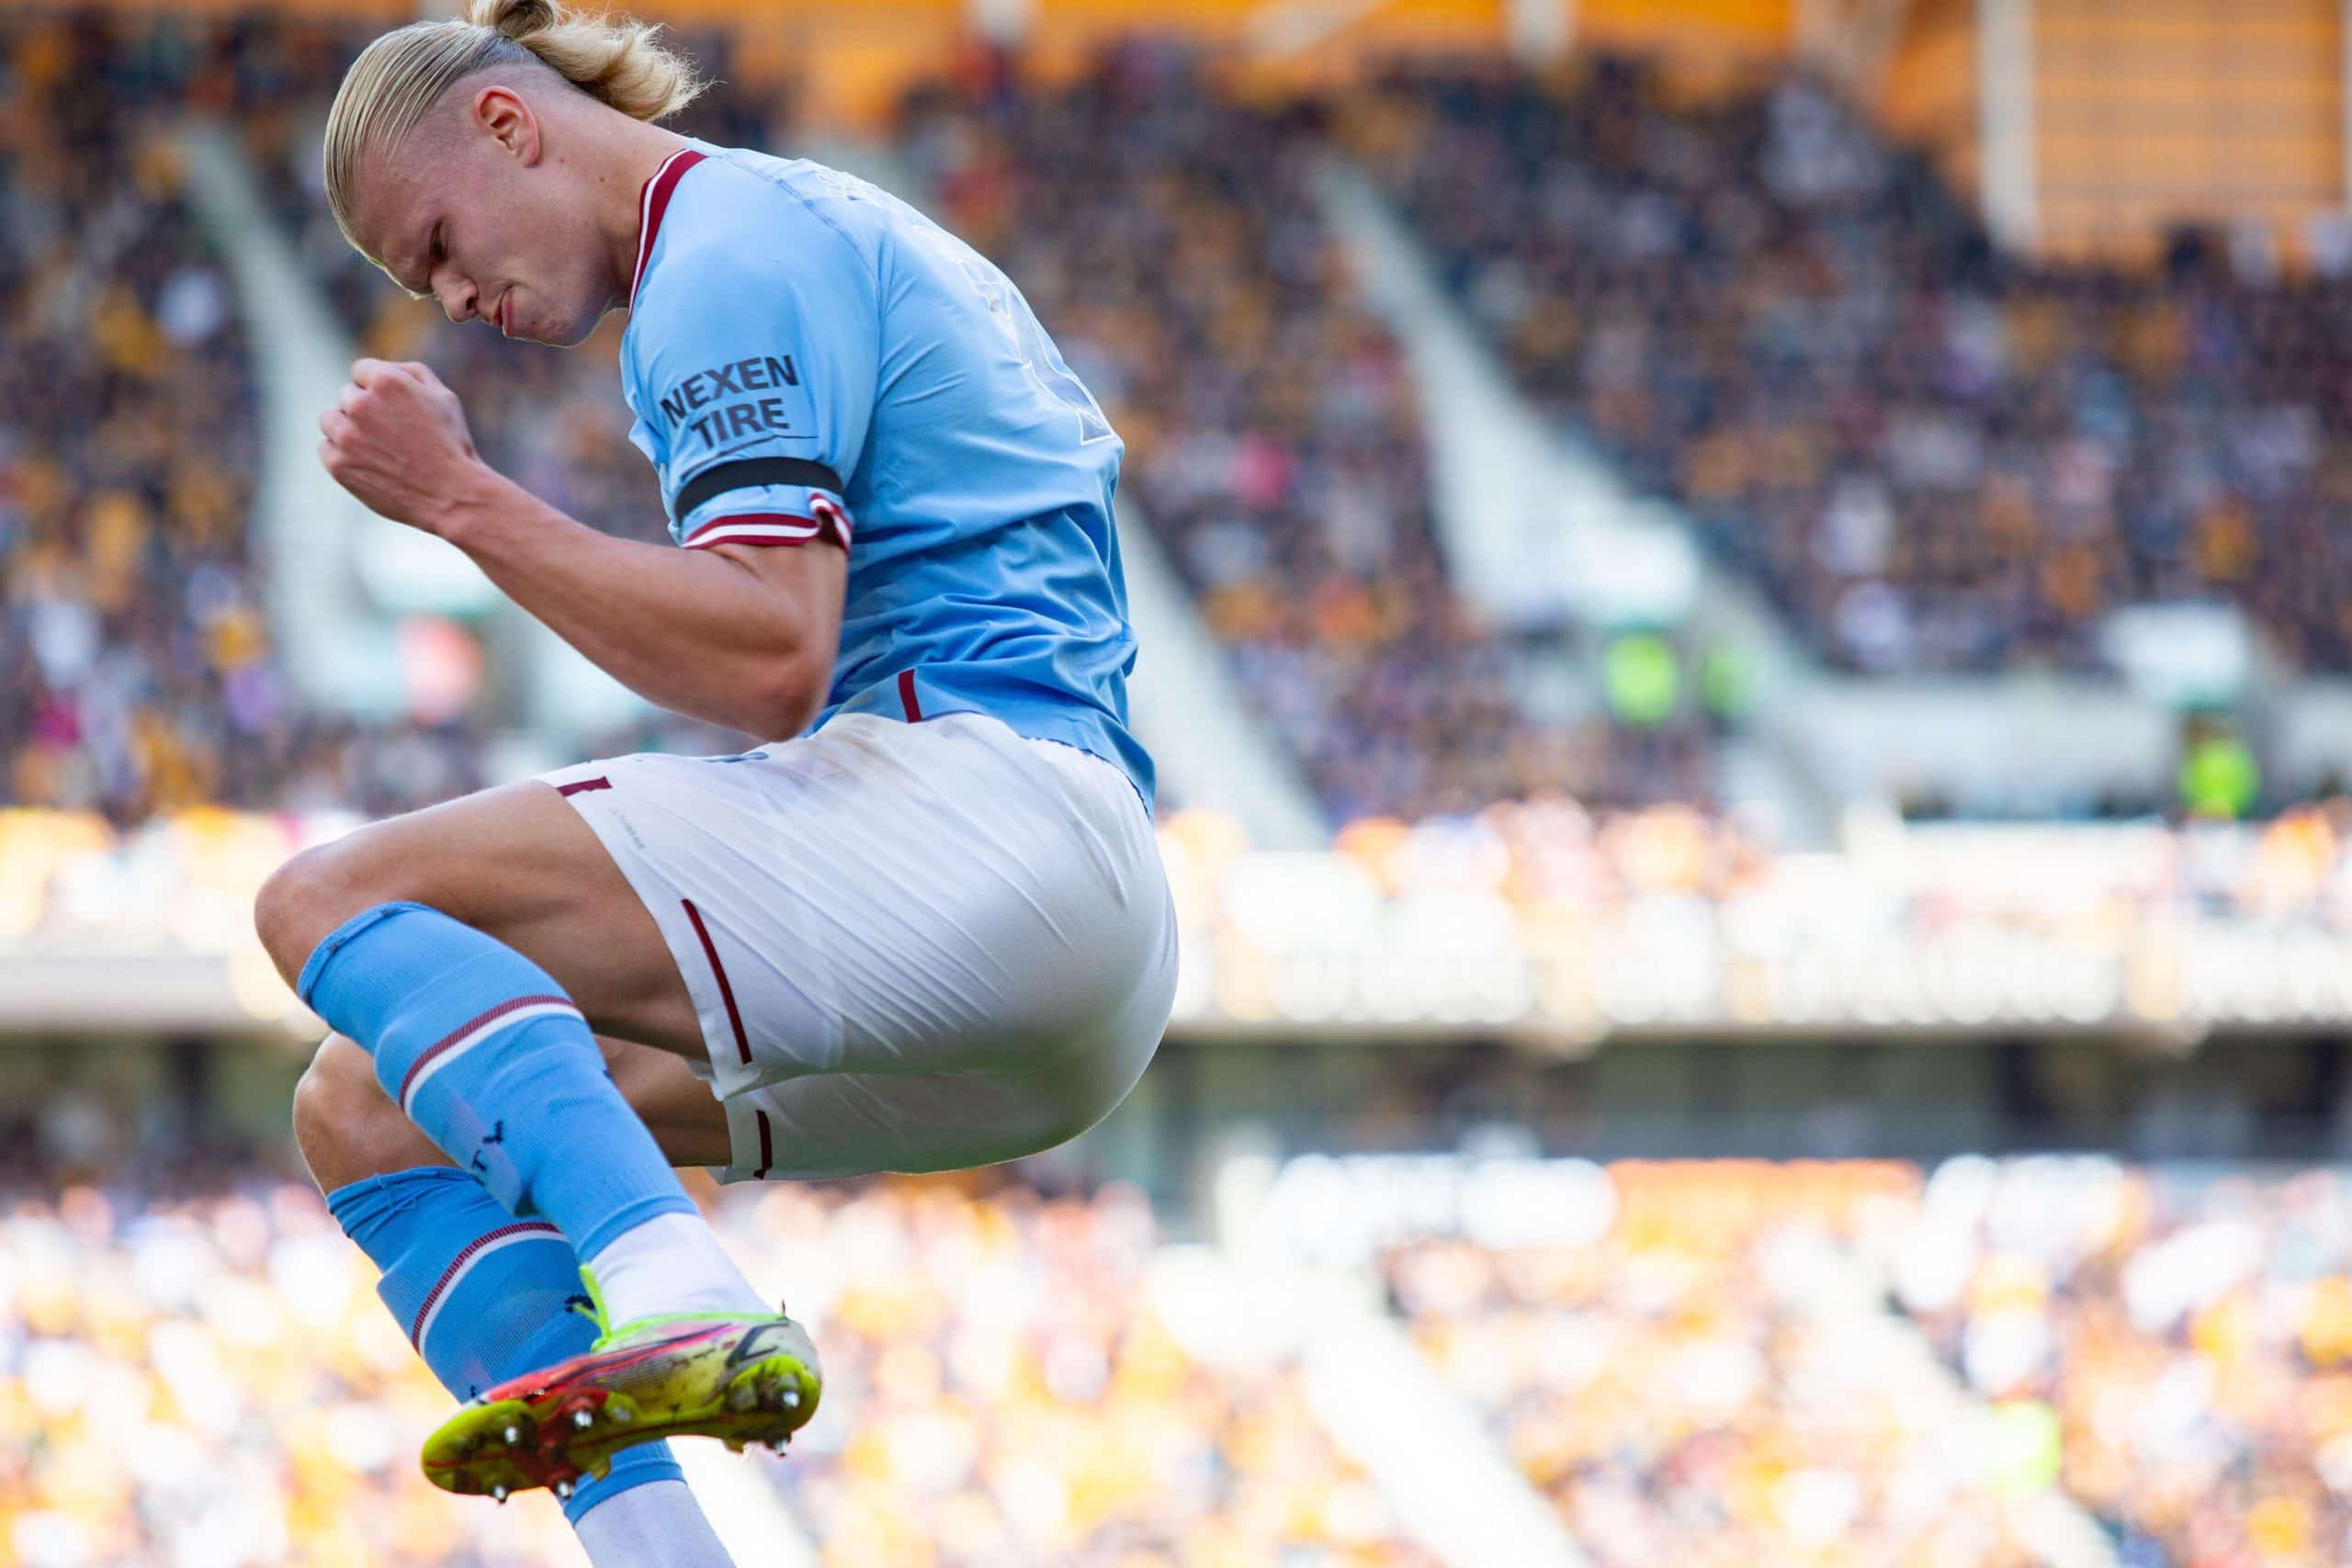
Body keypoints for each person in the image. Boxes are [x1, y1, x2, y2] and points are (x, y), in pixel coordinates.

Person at [249, 2, 1177, 1562]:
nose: (458, 300)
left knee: (323, 899)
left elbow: (766, 654)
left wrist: (462, 501)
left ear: (507, 124)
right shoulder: (790, 230)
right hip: (1057, 986)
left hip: (981, 826)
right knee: (367, 1107)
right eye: (426, 288)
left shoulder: (721, 246)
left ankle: (669, 1278)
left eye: (442, 248)